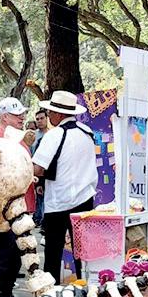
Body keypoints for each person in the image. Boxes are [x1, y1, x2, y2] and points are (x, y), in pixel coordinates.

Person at [32, 90, 99, 281]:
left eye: (50, 112)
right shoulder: (87, 132)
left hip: (59, 201)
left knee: (53, 252)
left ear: (58, 114)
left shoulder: (54, 135)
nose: (49, 116)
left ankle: (50, 290)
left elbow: (38, 168)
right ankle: (86, 287)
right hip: (85, 199)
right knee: (82, 253)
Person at [0, 97, 33, 297]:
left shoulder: (17, 137)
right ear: (4, 117)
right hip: (4, 207)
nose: (22, 117)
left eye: (23, 114)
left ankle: (7, 292)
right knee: (2, 252)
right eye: (17, 115)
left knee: (15, 252)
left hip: (20, 205)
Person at [32, 108, 51, 227]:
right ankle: (38, 219)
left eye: (42, 118)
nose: (39, 121)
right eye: (37, 119)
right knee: (39, 198)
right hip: (35, 172)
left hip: (49, 173)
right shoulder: (32, 136)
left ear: (47, 118)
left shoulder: (53, 134)